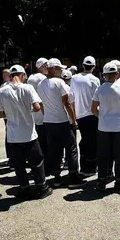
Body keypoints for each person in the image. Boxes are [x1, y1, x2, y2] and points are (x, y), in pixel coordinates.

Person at [0, 65, 53, 199]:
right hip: (28, 133)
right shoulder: (28, 88)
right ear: (22, 75)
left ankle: (24, 188)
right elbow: (37, 107)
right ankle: (41, 187)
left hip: (13, 134)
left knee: (19, 164)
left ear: (10, 76)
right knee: (37, 161)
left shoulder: (2, 91)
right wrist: (27, 110)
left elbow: (0, 113)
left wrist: (11, 114)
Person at [37, 58, 86, 188]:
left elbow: (41, 104)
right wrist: (74, 119)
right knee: (71, 148)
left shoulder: (41, 84)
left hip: (48, 121)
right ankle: (74, 175)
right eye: (59, 69)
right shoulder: (59, 82)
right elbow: (67, 103)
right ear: (52, 69)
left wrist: (46, 115)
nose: (60, 71)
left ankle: (57, 177)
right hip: (61, 121)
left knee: (54, 150)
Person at [92, 62, 120, 191]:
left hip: (103, 127)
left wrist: (101, 116)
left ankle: (102, 181)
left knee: (103, 155)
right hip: (118, 127)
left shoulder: (99, 89)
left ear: (104, 75)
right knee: (118, 155)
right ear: (117, 74)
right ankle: (119, 181)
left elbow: (93, 109)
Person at [70, 56, 100, 176]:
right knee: (92, 142)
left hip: (79, 115)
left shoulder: (74, 78)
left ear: (82, 65)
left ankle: (84, 166)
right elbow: (98, 98)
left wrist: (74, 114)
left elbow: (71, 98)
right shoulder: (95, 79)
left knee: (84, 140)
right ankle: (90, 167)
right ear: (93, 67)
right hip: (92, 114)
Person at [27, 58, 49, 158]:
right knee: (45, 141)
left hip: (33, 113)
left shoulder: (30, 78)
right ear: (42, 67)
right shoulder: (42, 78)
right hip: (43, 112)